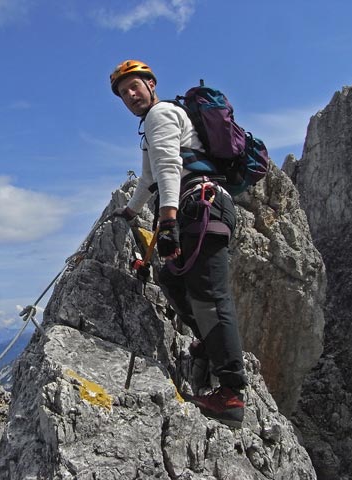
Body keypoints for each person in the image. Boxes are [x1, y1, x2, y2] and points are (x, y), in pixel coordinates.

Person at [109, 59, 248, 428]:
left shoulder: (161, 115)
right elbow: (150, 175)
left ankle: (231, 393)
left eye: (134, 87)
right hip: (195, 210)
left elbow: (170, 166)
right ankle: (207, 342)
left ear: (151, 84)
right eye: (124, 94)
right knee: (172, 279)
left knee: (210, 296)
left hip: (200, 209)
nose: (130, 96)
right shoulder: (151, 126)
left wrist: (166, 219)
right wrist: (131, 210)